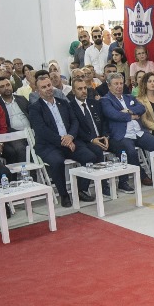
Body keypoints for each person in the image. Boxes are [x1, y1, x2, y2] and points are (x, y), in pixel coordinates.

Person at [27, 72, 101, 208]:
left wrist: (71, 137)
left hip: (70, 141)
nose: (48, 88)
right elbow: (42, 130)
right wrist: (63, 140)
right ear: (38, 91)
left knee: (90, 156)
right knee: (57, 161)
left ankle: (80, 190)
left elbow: (74, 122)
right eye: (43, 87)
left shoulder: (63, 103)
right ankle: (64, 194)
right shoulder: (35, 108)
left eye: (49, 85)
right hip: (49, 145)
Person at [99, 72, 154, 184]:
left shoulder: (129, 97)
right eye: (116, 84)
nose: (119, 86)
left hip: (138, 132)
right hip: (123, 134)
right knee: (130, 151)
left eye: (121, 83)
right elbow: (113, 114)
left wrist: (129, 111)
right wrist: (131, 116)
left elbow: (142, 108)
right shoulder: (105, 100)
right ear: (109, 86)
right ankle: (142, 176)